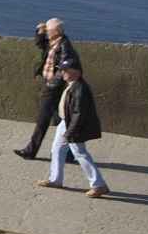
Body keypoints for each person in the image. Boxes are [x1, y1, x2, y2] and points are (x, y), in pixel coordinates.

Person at [38, 60, 109, 198]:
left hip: (73, 125)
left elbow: (79, 114)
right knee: (57, 149)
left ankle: (98, 185)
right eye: (62, 69)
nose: (62, 72)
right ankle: (55, 179)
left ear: (77, 72)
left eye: (66, 69)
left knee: (80, 152)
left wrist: (70, 132)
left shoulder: (81, 89)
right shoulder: (73, 85)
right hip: (65, 123)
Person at [15, 18, 81, 161]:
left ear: (56, 32)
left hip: (54, 86)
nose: (47, 32)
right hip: (51, 83)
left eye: (49, 30)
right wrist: (41, 33)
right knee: (60, 120)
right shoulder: (53, 42)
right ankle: (69, 154)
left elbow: (63, 69)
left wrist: (51, 85)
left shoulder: (65, 46)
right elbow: (40, 44)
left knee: (42, 118)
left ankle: (31, 151)